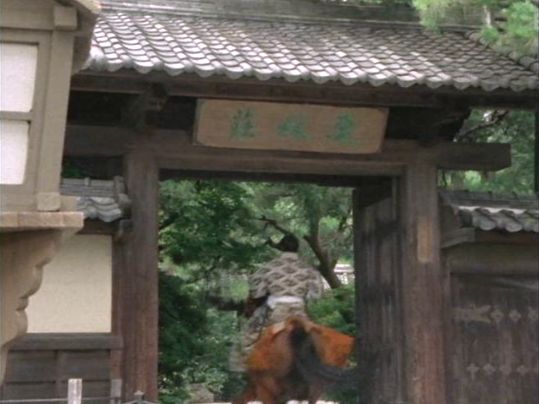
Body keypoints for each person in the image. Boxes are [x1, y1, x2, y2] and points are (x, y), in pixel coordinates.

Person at [229, 234, 324, 373]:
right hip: (299, 310)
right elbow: (316, 294)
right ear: (297, 249)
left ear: (281, 247)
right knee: (317, 338)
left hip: (274, 310)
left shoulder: (268, 267)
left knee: (248, 337)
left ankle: (243, 368)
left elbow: (257, 293)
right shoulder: (309, 269)